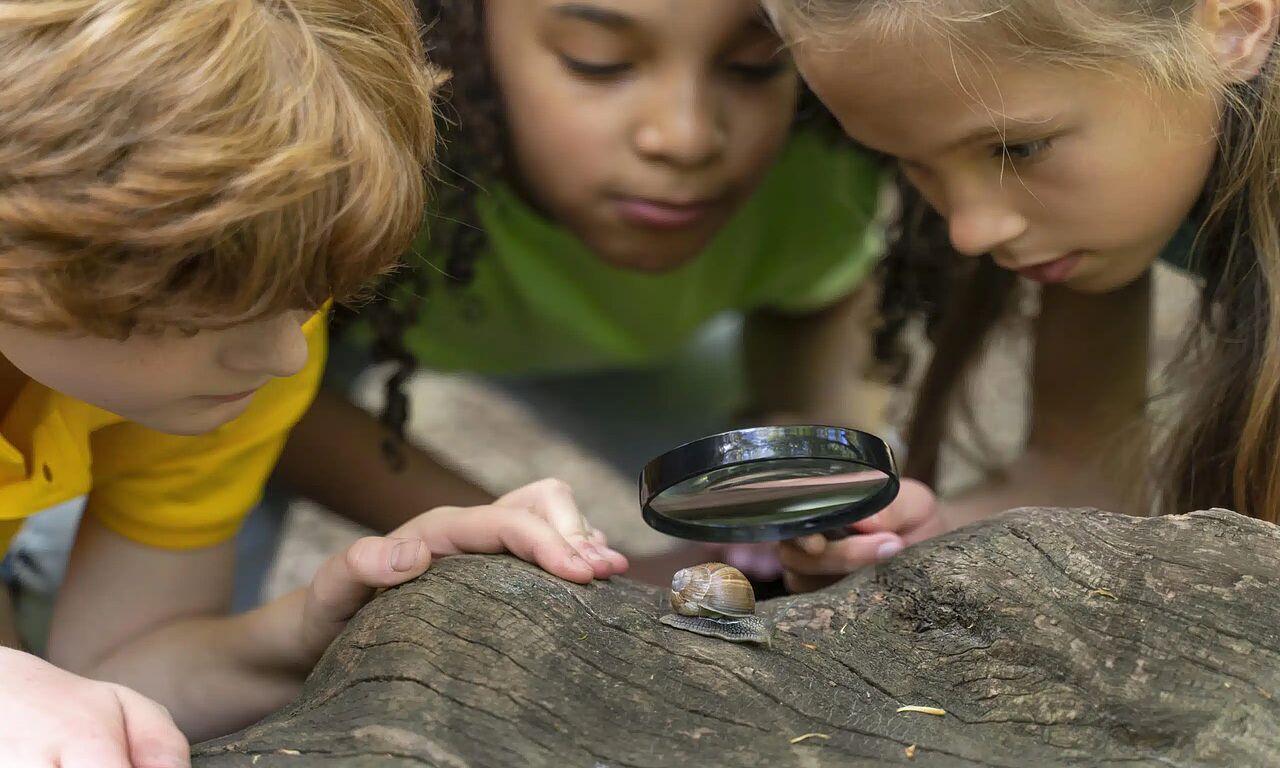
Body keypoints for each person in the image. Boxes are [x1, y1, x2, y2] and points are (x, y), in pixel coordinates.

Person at [0, 1, 623, 763]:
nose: (284, 357)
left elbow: (115, 670)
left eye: (307, 294)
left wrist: (323, 628)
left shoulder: (207, 372)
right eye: (203, 307)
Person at [249, 0, 910, 595]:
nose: (685, 137)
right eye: (599, 61)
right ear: (452, 27)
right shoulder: (352, 140)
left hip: (664, 352)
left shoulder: (818, 144)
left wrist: (807, 486)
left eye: (754, 63)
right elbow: (260, 401)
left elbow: (819, 298)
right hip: (306, 354)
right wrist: (544, 552)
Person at [760, 0, 1280, 587]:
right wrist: (927, 548)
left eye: (1019, 149)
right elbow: (1078, 478)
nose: (970, 232)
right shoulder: (1098, 217)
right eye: (908, 162)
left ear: (1237, 24)